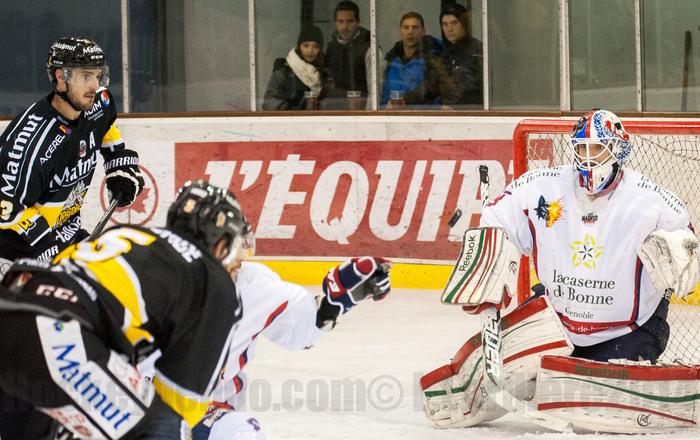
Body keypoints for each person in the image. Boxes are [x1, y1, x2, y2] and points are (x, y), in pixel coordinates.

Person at [0, 180, 249, 439]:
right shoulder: (211, 278)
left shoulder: (128, 235)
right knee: (164, 429)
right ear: (221, 243)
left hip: (11, 308)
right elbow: (182, 404)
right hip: (59, 335)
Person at [480, 109, 698, 361]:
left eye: (597, 148)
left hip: (626, 331)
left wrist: (683, 259)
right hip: (557, 323)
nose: (588, 158)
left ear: (618, 150)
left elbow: (687, 245)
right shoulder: (544, 185)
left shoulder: (651, 200)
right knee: (509, 369)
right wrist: (488, 258)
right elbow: (497, 218)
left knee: (604, 383)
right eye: (582, 149)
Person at [0, 37, 144, 275]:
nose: (94, 85)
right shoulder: (33, 143)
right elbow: (7, 208)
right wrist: (50, 249)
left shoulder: (97, 104)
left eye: (98, 75)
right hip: (16, 253)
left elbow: (105, 126)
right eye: (86, 76)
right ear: (61, 77)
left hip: (66, 235)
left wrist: (118, 163)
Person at [380, 11, 443, 109]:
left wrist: (404, 101)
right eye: (406, 27)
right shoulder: (392, 59)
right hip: (393, 115)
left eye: (415, 27)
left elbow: (431, 90)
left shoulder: (433, 58)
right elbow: (384, 95)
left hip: (423, 115)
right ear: (400, 31)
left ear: (423, 31)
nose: (410, 32)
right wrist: (384, 109)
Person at [262, 25, 328, 111]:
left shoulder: (325, 72)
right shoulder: (284, 71)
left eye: (315, 46)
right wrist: (295, 111)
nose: (310, 50)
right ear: (299, 46)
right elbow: (269, 103)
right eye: (306, 45)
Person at [325, 1, 373, 109]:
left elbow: (375, 90)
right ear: (335, 23)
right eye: (340, 21)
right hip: (335, 109)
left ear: (358, 22)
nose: (345, 27)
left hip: (360, 111)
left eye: (350, 21)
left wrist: (368, 114)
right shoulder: (331, 47)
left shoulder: (370, 48)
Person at [437, 3, 483, 108]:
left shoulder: (477, 50)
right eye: (445, 24)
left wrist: (450, 105)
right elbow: (431, 84)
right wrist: (406, 100)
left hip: (471, 111)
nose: (449, 29)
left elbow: (467, 85)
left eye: (454, 23)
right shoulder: (446, 53)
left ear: (465, 24)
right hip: (449, 110)